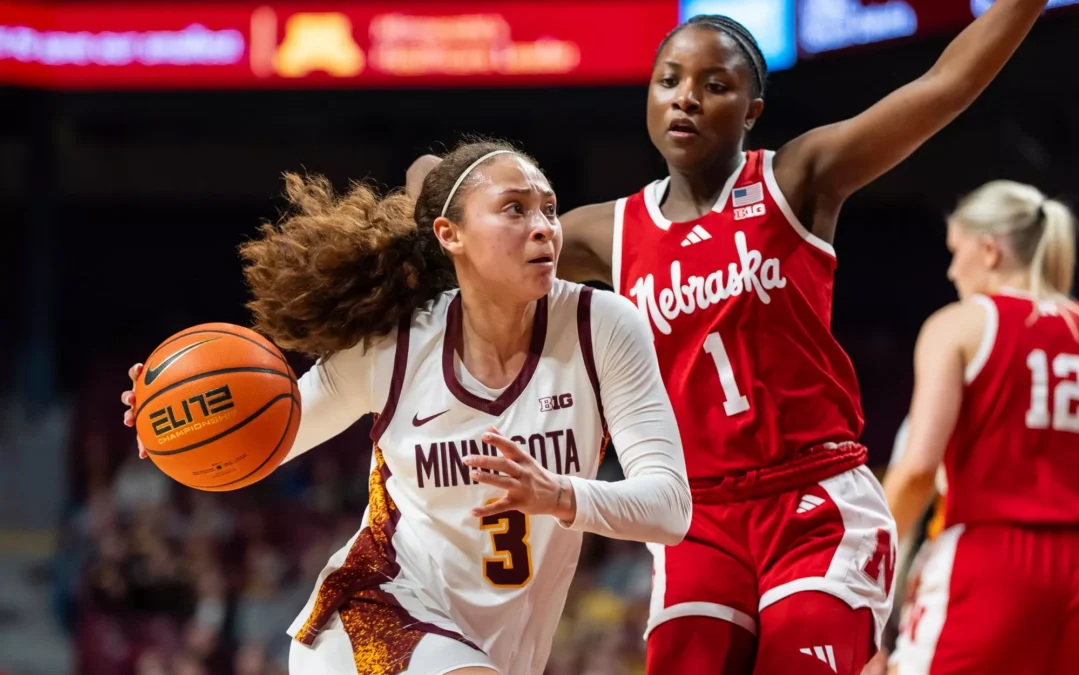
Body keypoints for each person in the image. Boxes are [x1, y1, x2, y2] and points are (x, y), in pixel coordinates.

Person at [408, 3, 1053, 673]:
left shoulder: (796, 178)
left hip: (812, 501)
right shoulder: (610, 231)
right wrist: (431, 180)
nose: (686, 96)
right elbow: (478, 233)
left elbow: (942, 86)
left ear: (752, 109)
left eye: (715, 84)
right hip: (700, 519)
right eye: (669, 80)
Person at [121, 139, 692, 675]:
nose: (544, 228)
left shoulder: (604, 326)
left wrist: (558, 495)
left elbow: (670, 509)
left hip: (498, 647)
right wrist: (177, 423)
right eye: (515, 210)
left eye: (548, 208)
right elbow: (267, 439)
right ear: (451, 234)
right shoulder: (395, 347)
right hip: (373, 618)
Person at [884, 180, 1079, 674]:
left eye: (956, 252)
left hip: (990, 561)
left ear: (988, 250)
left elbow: (917, 469)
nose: (951, 270)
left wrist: (863, 560)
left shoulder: (961, 324)